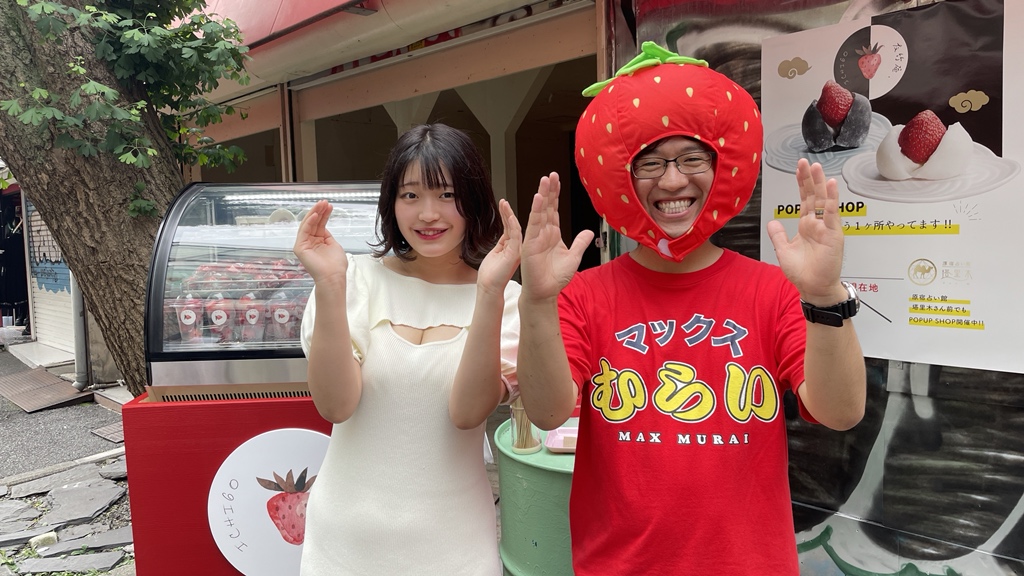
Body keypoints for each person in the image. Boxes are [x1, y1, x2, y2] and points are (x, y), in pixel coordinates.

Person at [516, 42, 867, 575]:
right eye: (650, 163)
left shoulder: (772, 291)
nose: (673, 181)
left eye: (691, 158)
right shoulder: (584, 295)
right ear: (623, 178)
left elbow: (841, 412)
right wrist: (538, 302)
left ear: (720, 166)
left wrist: (823, 296)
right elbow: (546, 413)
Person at [294, 123, 521, 575]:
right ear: (391, 203)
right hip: (342, 545)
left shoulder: (507, 299)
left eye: (447, 194)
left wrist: (489, 292)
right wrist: (331, 283)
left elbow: (467, 413)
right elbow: (335, 406)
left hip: (455, 547)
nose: (428, 214)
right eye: (410, 195)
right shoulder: (352, 279)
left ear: (474, 199)